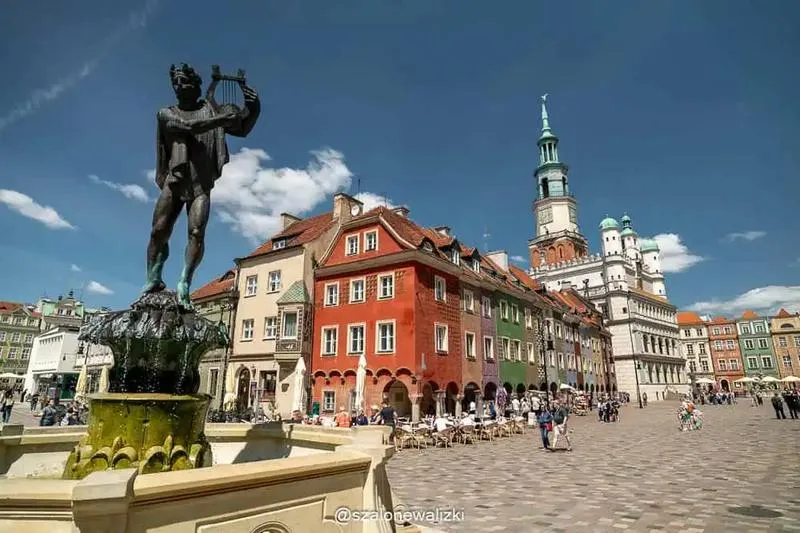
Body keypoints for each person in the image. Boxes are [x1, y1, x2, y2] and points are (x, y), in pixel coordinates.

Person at [143, 63, 260, 307]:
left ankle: (185, 280)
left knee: (197, 232)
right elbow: (187, 128)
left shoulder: (210, 109)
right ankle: (153, 277)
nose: (178, 87)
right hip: (175, 180)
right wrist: (221, 118)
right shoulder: (166, 112)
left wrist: (254, 107)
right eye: (175, 83)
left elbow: (242, 128)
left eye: (184, 82)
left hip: (200, 183)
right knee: (158, 230)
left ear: (196, 86)